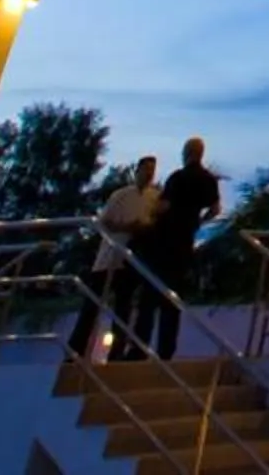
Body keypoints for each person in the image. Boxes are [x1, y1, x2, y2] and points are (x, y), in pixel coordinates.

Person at [130, 137, 222, 359]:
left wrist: (151, 215)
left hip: (163, 241)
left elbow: (164, 206)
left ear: (186, 153)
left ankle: (139, 349)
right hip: (185, 242)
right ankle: (166, 351)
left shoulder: (178, 178)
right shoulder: (208, 179)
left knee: (149, 297)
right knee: (172, 300)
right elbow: (216, 209)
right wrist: (198, 222)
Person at [71, 156, 158, 359]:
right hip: (109, 257)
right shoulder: (120, 195)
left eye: (152, 171)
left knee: (124, 309)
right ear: (138, 170)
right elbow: (105, 222)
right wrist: (127, 227)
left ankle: (116, 353)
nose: (148, 174)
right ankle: (76, 351)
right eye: (145, 169)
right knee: (91, 306)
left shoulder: (153, 198)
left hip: (130, 261)